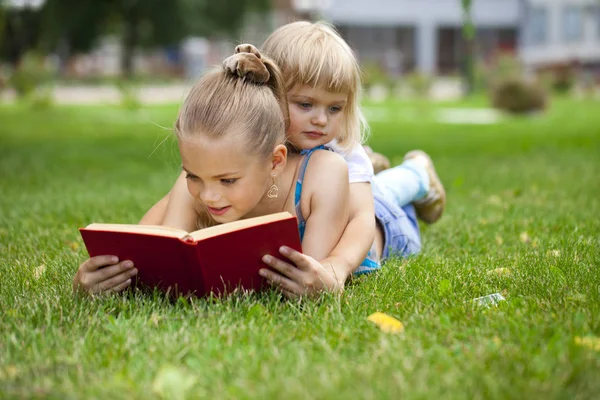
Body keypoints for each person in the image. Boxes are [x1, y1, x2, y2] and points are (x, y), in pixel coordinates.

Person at [73, 49, 352, 296]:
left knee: (391, 194)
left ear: (275, 162)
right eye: (193, 176)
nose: (209, 195)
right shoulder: (198, 181)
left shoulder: (323, 175)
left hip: (382, 220)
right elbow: (164, 265)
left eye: (228, 180)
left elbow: (311, 276)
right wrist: (97, 280)